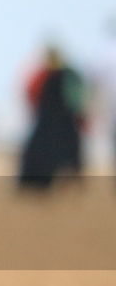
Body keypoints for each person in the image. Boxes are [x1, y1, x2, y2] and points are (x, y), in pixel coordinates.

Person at [18, 44, 87, 190]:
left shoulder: (62, 75)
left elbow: (78, 98)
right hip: (53, 122)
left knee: (65, 154)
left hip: (58, 122)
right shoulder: (49, 75)